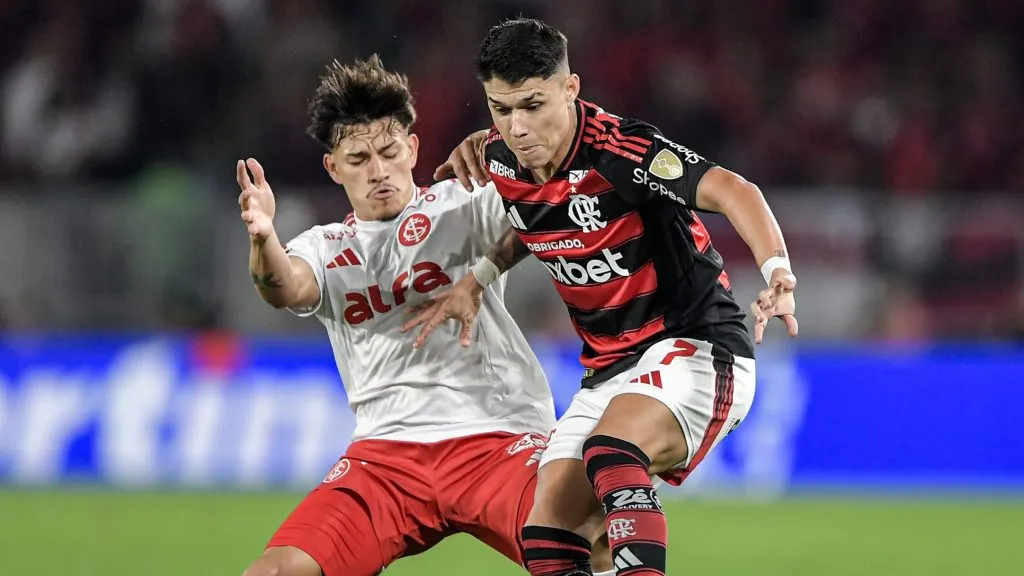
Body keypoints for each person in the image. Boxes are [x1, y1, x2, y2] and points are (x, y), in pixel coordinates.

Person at [406, 18, 799, 576]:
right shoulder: (497, 159)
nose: (517, 127)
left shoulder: (623, 152)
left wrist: (777, 271)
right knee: (549, 534)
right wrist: (479, 277)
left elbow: (736, 190)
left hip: (694, 345)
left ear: (571, 89)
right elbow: (537, 217)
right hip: (608, 369)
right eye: (500, 109)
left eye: (533, 104)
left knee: (611, 454)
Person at [238, 55, 612, 576]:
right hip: (386, 459)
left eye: (390, 152)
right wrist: (263, 238)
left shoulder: (463, 205)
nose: (378, 171)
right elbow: (282, 286)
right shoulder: (325, 247)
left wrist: (498, 140)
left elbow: (552, 195)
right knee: (274, 572)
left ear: (412, 147)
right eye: (358, 159)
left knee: (596, 539)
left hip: (497, 438)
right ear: (333, 167)